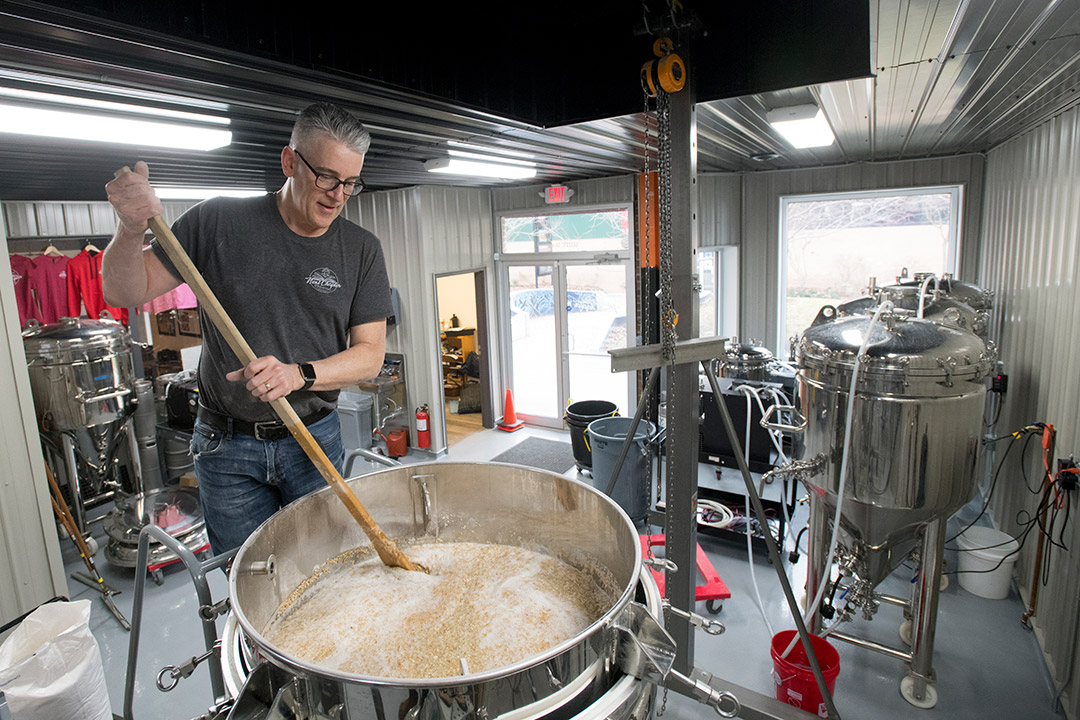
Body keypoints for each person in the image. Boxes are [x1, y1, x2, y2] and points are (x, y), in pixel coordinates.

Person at [103, 103, 393, 554]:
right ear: (290, 161)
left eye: (351, 183)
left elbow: (370, 354)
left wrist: (299, 373)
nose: (338, 194)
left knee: (325, 570)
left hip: (313, 435)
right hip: (227, 446)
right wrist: (128, 230)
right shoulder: (217, 222)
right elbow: (125, 289)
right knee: (248, 575)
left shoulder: (361, 251)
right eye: (328, 177)